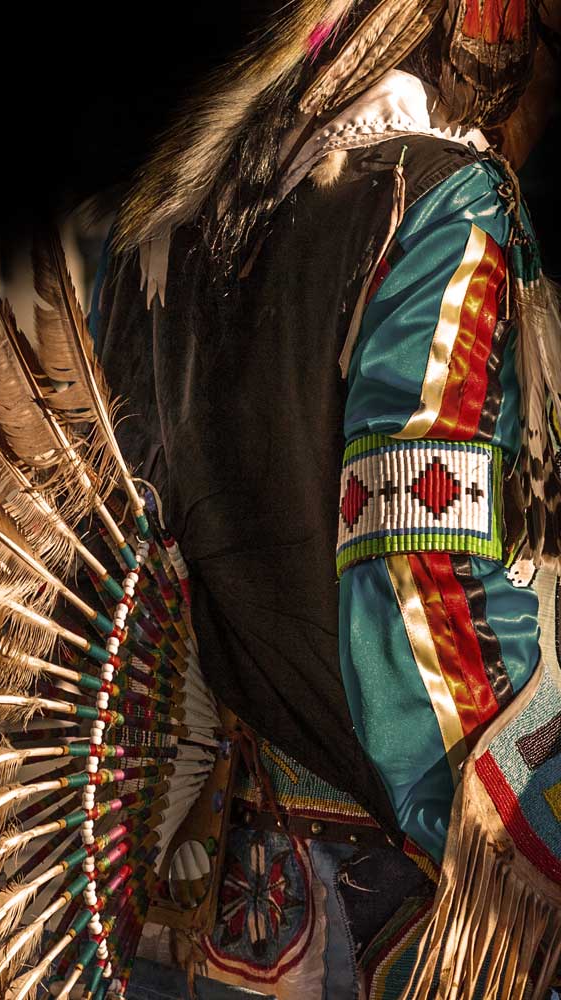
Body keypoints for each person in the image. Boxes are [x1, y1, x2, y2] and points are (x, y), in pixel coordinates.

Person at [92, 0, 561, 995]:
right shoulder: (442, 206)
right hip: (391, 910)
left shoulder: (166, 222)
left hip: (201, 894)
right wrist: (532, 837)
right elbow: (425, 592)